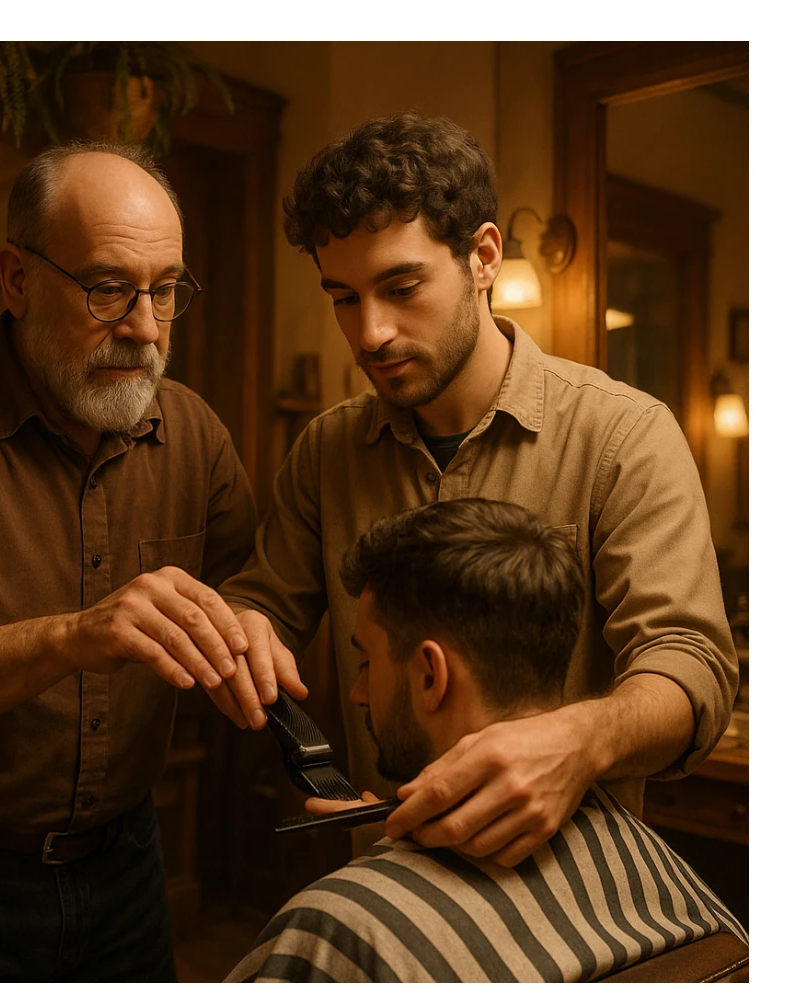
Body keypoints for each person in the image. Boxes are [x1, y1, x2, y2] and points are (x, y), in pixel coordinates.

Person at [0, 139, 304, 982]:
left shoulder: (194, 434)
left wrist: (259, 633)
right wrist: (76, 636)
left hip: (126, 868)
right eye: (109, 288)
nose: (146, 327)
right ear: (15, 279)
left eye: (165, 291)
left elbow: (251, 595)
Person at [220, 111, 737, 865]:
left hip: (564, 892)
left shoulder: (623, 436)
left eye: (401, 287)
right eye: (344, 297)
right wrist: (242, 635)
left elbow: (690, 663)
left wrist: (576, 743)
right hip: (386, 881)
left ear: (485, 256)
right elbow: (262, 606)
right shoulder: (325, 449)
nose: (370, 334)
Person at [227, 499, 747, 982]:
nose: (359, 692)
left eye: (367, 662)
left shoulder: (333, 931)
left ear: (431, 675)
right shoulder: (657, 868)